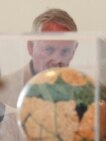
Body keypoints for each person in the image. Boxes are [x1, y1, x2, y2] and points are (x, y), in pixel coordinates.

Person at [0, 8, 78, 141]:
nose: (57, 59)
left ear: (74, 51)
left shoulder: (87, 92)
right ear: (30, 47)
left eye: (65, 51)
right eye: (49, 49)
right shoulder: (4, 90)